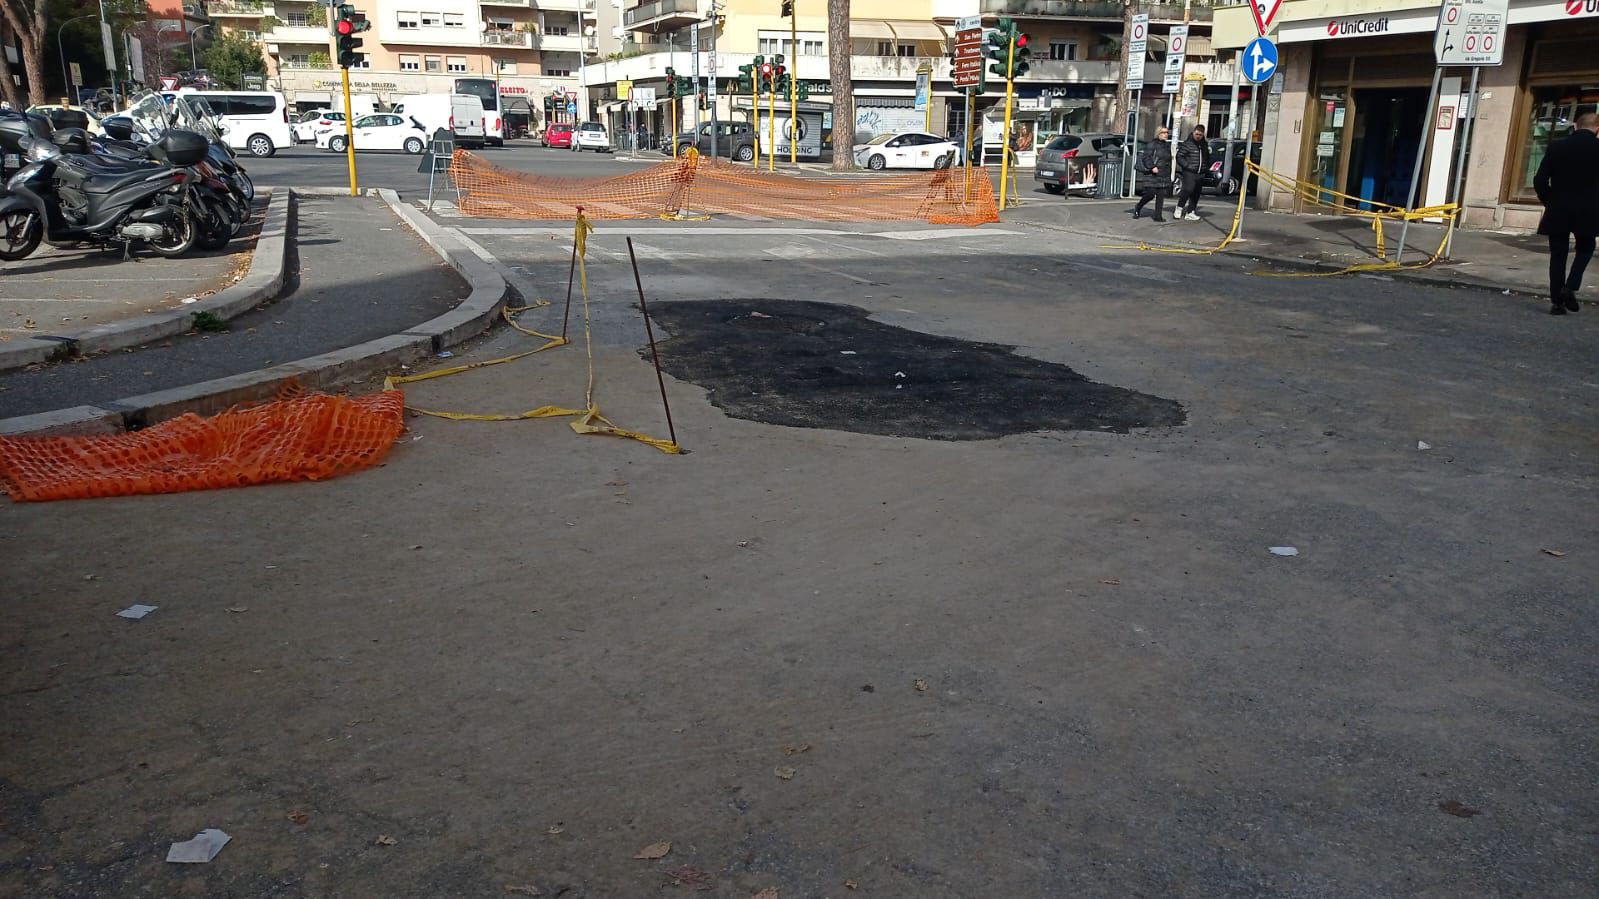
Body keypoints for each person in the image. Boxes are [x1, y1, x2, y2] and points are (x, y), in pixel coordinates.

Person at [1534, 111, 1599, 315]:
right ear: (1597, 129)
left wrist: (1551, 201)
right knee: (1586, 247)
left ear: (1576, 126)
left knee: (1558, 254)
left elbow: (1540, 180)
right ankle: (1569, 287)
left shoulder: (1557, 147)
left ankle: (1557, 303)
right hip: (1590, 210)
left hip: (1559, 208)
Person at [1133, 126, 1173, 222]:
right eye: (1163, 132)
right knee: (1150, 193)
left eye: (1167, 132)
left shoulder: (1167, 146)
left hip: (1163, 173)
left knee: (1160, 196)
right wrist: (1152, 166)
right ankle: (1138, 206)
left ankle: (1158, 216)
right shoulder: (1152, 144)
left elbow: (1167, 160)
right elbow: (1146, 157)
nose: (1166, 134)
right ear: (1158, 133)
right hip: (1152, 174)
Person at [1174, 124, 1212, 221]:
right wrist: (1187, 166)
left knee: (1196, 192)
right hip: (1189, 171)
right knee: (1188, 189)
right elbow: (1179, 156)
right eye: (1197, 134)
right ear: (1193, 132)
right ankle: (1179, 208)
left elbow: (1207, 157)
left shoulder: (1204, 145)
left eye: (1200, 135)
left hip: (1200, 172)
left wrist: (1206, 167)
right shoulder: (1187, 144)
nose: (1198, 136)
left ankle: (1191, 211)